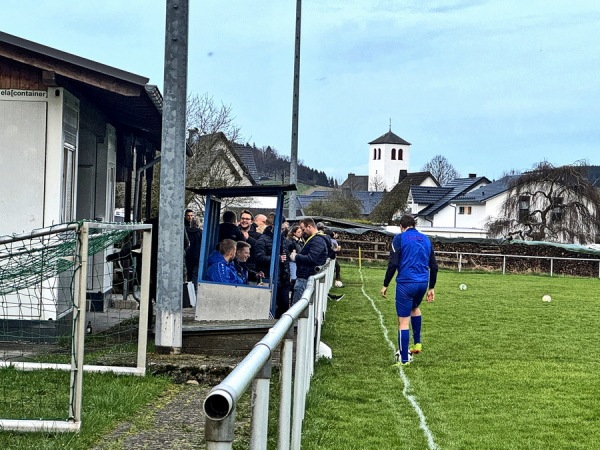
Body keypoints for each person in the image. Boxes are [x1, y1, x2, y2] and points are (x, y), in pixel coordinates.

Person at [380, 214, 438, 366]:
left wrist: (385, 284)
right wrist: (431, 287)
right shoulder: (426, 239)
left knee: (403, 322)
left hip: (406, 283)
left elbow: (393, 263)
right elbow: (434, 266)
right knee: (415, 307)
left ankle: (404, 359)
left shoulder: (399, 238)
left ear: (401, 226)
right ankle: (417, 343)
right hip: (422, 283)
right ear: (414, 225)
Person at [255, 213, 291, 318]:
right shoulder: (262, 240)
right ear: (272, 226)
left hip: (283, 279)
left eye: (283, 229)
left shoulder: (282, 239)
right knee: (269, 307)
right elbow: (259, 257)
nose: (282, 231)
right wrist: (277, 259)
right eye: (281, 228)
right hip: (269, 278)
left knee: (284, 306)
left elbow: (286, 258)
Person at [289, 217, 329, 304]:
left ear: (309, 226)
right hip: (305, 276)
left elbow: (311, 258)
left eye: (303, 229)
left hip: (305, 277)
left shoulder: (317, 240)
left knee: (297, 307)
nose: (303, 232)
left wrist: (296, 257)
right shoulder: (316, 239)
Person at [184, 209, 202, 291]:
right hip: (197, 257)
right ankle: (194, 293)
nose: (190, 217)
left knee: (189, 276)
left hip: (188, 256)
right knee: (195, 276)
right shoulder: (200, 233)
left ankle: (188, 294)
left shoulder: (185, 231)